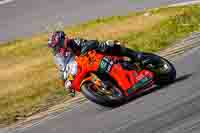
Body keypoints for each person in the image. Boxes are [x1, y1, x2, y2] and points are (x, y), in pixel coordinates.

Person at [48, 31, 156, 95]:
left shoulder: (74, 42)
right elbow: (64, 70)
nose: (58, 48)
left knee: (110, 44)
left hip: (97, 55)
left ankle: (136, 55)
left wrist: (85, 49)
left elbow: (92, 42)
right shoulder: (61, 57)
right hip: (87, 67)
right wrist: (66, 81)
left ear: (64, 40)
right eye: (55, 47)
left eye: (59, 45)